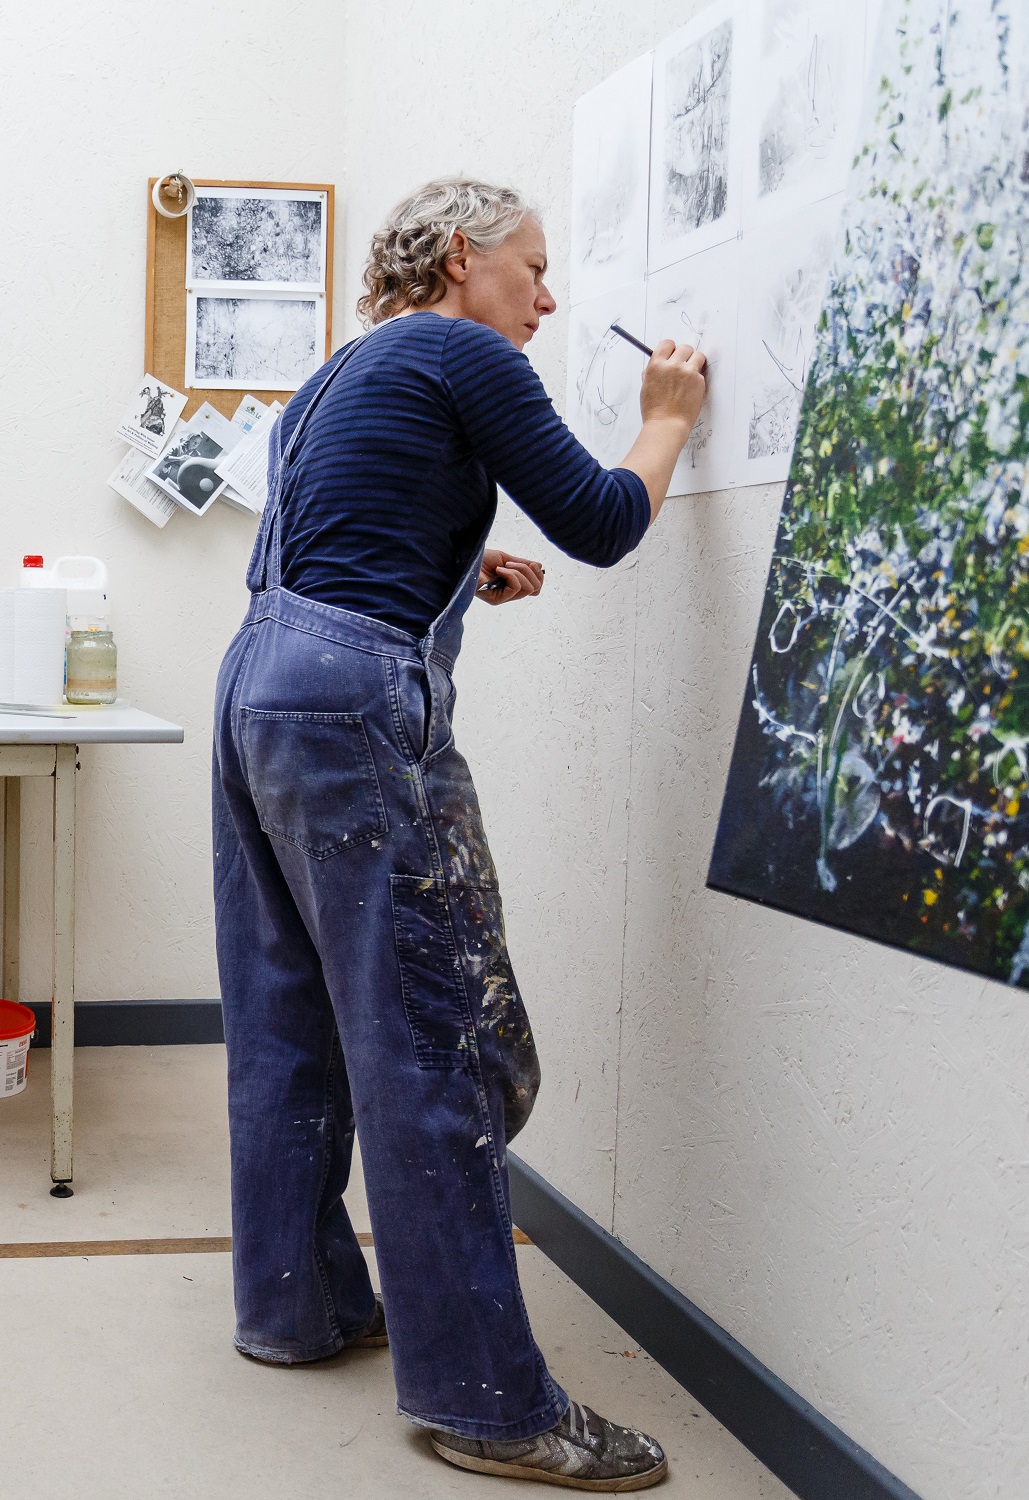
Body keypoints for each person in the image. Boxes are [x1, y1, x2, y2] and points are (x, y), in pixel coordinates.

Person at [211, 177, 707, 1490]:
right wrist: (662, 423)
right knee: (437, 1036)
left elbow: (331, 538)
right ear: (456, 258)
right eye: (532, 270)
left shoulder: (342, 373)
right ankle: (485, 1402)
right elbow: (602, 521)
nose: (545, 300)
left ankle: (295, 1305)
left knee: (288, 1014)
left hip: (261, 685)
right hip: (352, 704)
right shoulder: (455, 347)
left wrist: (460, 559)